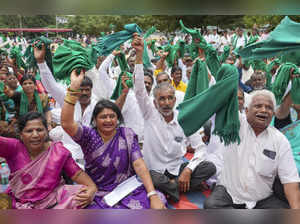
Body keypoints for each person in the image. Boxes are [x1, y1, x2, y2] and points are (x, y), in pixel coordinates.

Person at [61, 69, 166, 209]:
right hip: (99, 192)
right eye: (103, 117)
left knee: (159, 199)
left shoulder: (126, 134)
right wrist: (73, 90)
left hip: (127, 189)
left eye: (112, 116)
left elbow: (139, 164)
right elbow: (67, 124)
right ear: (95, 120)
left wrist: (152, 194)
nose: (108, 120)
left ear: (118, 119)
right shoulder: (88, 135)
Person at [132, 33, 216, 202]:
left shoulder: (184, 119)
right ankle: (175, 187)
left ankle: (172, 187)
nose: (166, 102)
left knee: (209, 167)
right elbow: (140, 90)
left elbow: (200, 149)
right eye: (161, 99)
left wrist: (188, 170)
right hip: (155, 170)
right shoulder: (149, 114)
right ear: (155, 103)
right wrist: (139, 56)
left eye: (170, 98)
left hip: (177, 168)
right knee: (149, 176)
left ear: (175, 100)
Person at [204, 90, 300, 209]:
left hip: (262, 199)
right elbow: (219, 102)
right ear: (247, 110)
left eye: (269, 107)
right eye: (258, 106)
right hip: (229, 193)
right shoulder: (234, 125)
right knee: (211, 206)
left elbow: (290, 180)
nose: (264, 110)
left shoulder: (280, 141)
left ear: (273, 114)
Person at [0, 112, 97, 209]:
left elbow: (78, 174)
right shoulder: (13, 147)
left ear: (47, 131)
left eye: (39, 130)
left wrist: (92, 188)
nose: (35, 135)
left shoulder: (59, 152)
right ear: (21, 134)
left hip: (53, 202)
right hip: (19, 203)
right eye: (29, 131)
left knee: (83, 194)